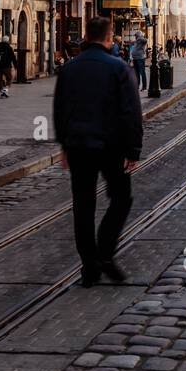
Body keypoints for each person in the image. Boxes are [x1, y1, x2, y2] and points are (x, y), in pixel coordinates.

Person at [53, 16, 143, 286]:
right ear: (108, 37)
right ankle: (104, 253)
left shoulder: (69, 68)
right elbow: (131, 112)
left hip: (79, 146)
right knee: (120, 199)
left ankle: (89, 265)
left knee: (83, 205)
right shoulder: (119, 67)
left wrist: (64, 144)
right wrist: (133, 150)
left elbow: (60, 109)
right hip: (112, 147)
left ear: (86, 35)